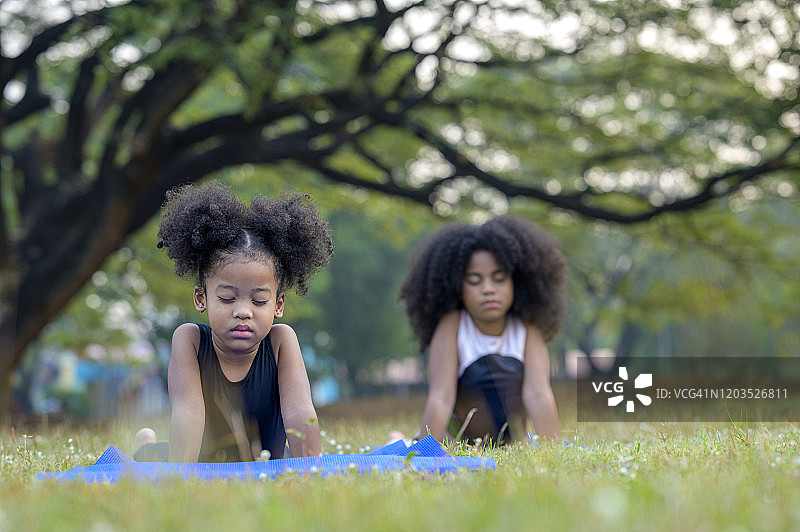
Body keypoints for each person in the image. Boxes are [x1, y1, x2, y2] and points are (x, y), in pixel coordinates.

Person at [134, 181, 333, 462]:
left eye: (259, 300)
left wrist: (312, 465)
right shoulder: (189, 339)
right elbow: (187, 411)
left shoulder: (281, 341)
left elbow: (300, 412)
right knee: (151, 457)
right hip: (201, 457)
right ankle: (146, 442)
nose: (243, 311)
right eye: (227, 298)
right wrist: (182, 476)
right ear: (201, 298)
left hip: (266, 458)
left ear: (278, 304)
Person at [396, 216, 566, 445]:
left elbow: (538, 394)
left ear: (517, 281)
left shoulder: (527, 328)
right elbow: (441, 397)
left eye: (499, 279)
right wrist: (428, 452)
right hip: (456, 442)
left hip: (512, 442)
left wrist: (552, 450)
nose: (488, 289)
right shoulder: (453, 325)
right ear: (458, 286)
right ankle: (397, 439)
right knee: (401, 447)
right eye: (475, 281)